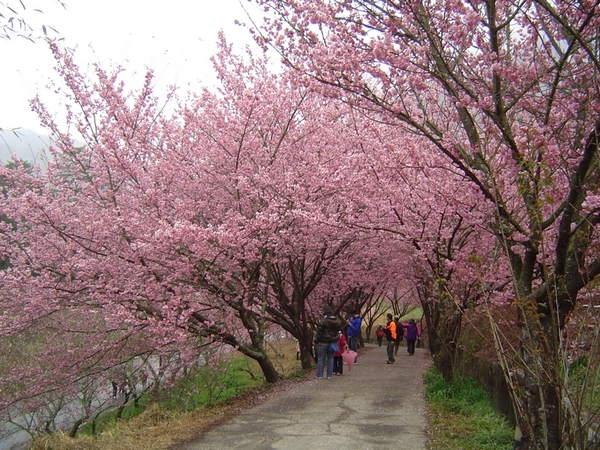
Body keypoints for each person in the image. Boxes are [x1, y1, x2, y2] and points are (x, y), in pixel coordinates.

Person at [313, 305, 341, 379]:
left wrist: (316, 341)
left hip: (323, 342)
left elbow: (319, 333)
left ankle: (320, 375)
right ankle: (329, 375)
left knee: (321, 358)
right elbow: (339, 331)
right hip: (332, 342)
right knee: (331, 358)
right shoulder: (336, 321)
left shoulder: (323, 322)